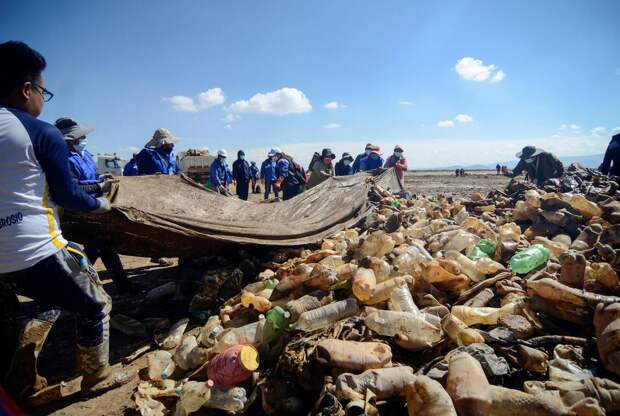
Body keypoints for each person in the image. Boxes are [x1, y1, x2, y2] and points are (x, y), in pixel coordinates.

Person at [0, 41, 133, 398]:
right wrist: (101, 205)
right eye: (43, 90)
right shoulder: (40, 132)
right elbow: (68, 196)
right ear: (26, 89)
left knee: (51, 301)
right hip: (33, 248)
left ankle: (22, 376)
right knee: (95, 304)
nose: (43, 99)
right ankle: (96, 375)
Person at [55, 118, 135, 293]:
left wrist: (101, 178)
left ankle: (115, 284)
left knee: (101, 247)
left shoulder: (85, 155)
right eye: (81, 136)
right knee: (99, 247)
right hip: (79, 209)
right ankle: (80, 285)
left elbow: (90, 175)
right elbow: (73, 187)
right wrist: (99, 186)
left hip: (95, 206)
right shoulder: (62, 159)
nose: (84, 139)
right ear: (70, 140)